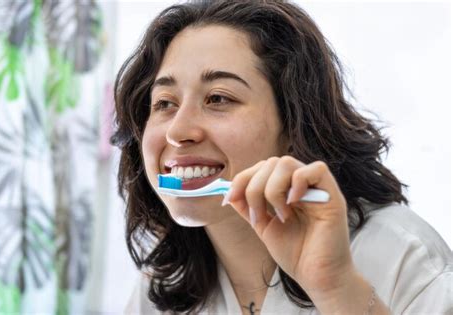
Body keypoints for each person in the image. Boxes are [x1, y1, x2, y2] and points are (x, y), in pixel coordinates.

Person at [112, 1, 452, 314]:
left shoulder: (404, 258)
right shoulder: (164, 285)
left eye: (218, 98)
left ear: (294, 124)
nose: (177, 130)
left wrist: (337, 288)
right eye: (164, 103)